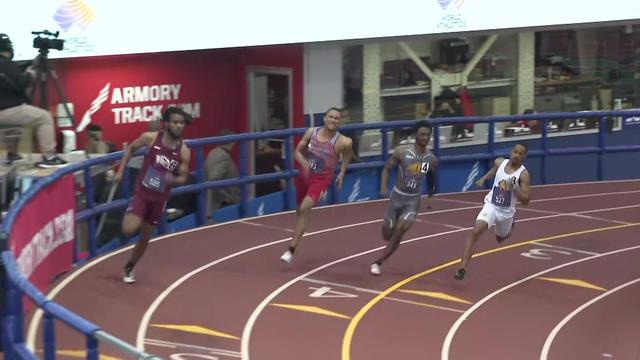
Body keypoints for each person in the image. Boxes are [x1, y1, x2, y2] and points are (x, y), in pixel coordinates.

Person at [114, 107, 192, 283]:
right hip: (143, 192)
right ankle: (136, 212)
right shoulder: (151, 138)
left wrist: (172, 179)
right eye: (175, 122)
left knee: (145, 237)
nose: (179, 126)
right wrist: (120, 170)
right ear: (166, 123)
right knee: (128, 229)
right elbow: (131, 148)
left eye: (181, 123)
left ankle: (130, 266)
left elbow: (183, 178)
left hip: (159, 200)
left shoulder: (184, 151)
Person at [280, 107, 352, 263]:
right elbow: (297, 152)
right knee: (300, 211)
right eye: (330, 117)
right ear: (325, 118)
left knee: (305, 207)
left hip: (321, 180)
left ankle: (291, 248)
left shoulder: (344, 141)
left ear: (340, 122)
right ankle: (298, 237)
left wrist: (342, 172)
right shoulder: (311, 132)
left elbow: (347, 154)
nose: (333, 120)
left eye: (336, 118)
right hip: (304, 176)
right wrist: (304, 163)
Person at [370, 120, 438, 275]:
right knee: (387, 233)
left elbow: (432, 178)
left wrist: (431, 196)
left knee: (400, 231)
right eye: (422, 134)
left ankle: (378, 262)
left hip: (413, 201)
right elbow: (386, 169)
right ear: (416, 135)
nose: (425, 138)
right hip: (396, 197)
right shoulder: (401, 152)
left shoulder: (431, 159)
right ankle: (389, 228)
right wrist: (383, 187)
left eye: (428, 135)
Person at [454, 143, 531, 280]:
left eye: (520, 154)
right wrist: (484, 179)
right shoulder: (499, 162)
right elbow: (495, 170)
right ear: (510, 152)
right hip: (491, 205)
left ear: (524, 157)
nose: (517, 155)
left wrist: (515, 188)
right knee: (476, 231)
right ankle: (463, 267)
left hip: (506, 212)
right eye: (515, 152)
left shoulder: (523, 175)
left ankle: (509, 227)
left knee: (500, 237)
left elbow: (526, 201)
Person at [0, 33, 67, 167]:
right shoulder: (5, 64)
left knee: (18, 123)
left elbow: (10, 79)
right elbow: (21, 82)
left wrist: (28, 67)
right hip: (7, 111)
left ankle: (12, 154)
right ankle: (49, 156)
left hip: (4, 112)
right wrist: (30, 75)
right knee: (44, 117)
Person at [204, 128, 240, 216]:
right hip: (222, 206)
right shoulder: (224, 157)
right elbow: (214, 179)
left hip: (212, 205)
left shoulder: (212, 152)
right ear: (232, 142)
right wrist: (229, 198)